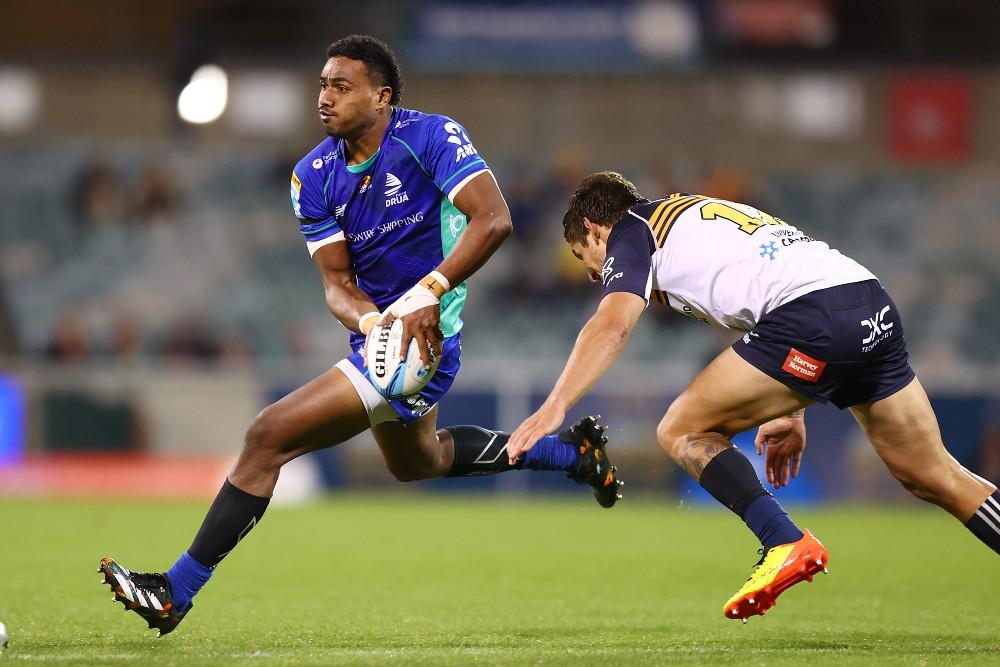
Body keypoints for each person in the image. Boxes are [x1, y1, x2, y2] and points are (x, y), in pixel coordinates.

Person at [99, 35, 622, 636]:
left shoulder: (429, 137)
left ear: (382, 96)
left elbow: (494, 218)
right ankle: (573, 455)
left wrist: (426, 296)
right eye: (322, 84)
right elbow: (336, 286)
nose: (325, 97)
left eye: (341, 86)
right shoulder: (311, 177)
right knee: (418, 462)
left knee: (268, 435)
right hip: (384, 337)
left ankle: (176, 589)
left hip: (427, 342)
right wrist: (373, 322)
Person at [507, 172, 1000, 622]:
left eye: (583, 257)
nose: (593, 274)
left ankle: (783, 540)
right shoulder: (687, 213)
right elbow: (766, 286)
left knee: (680, 428)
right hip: (867, 300)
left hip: (814, 317)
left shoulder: (631, 233)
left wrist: (557, 404)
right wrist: (793, 407)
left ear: (594, 229)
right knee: (933, 474)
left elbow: (612, 325)